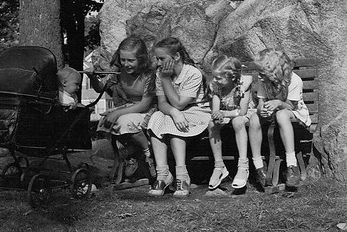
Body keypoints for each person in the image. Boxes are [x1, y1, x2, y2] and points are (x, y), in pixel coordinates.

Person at [147, 37, 211, 197]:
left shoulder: (192, 73)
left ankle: (182, 175)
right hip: (173, 112)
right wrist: (174, 113)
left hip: (197, 112)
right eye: (157, 59)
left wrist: (166, 79)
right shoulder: (160, 73)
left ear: (176, 57)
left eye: (162, 59)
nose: (158, 63)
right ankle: (163, 174)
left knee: (172, 125)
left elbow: (181, 104)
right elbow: (162, 103)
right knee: (156, 119)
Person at [87, 36, 156, 177]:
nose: (126, 64)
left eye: (131, 60)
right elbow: (100, 88)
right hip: (129, 107)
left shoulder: (149, 74)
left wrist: (117, 113)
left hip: (147, 110)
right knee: (105, 121)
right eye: (123, 59)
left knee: (124, 122)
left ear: (141, 59)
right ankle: (132, 153)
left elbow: (145, 104)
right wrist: (92, 77)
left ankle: (148, 153)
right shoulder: (119, 72)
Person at [248, 49, 311, 188]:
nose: (259, 76)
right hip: (272, 112)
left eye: (262, 73)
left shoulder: (294, 80)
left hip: (293, 112)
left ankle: (291, 164)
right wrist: (261, 110)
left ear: (274, 72)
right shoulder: (263, 81)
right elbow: (260, 103)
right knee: (254, 118)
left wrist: (278, 103)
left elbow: (291, 105)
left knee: (281, 114)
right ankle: (258, 165)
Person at [207, 55, 254, 193]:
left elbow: (242, 111)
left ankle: (243, 165)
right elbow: (216, 107)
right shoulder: (216, 85)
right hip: (226, 112)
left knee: (238, 122)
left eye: (219, 78)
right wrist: (217, 114)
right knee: (212, 124)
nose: (215, 80)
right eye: (214, 77)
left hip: (243, 113)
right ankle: (219, 166)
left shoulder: (243, 84)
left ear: (232, 77)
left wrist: (223, 114)